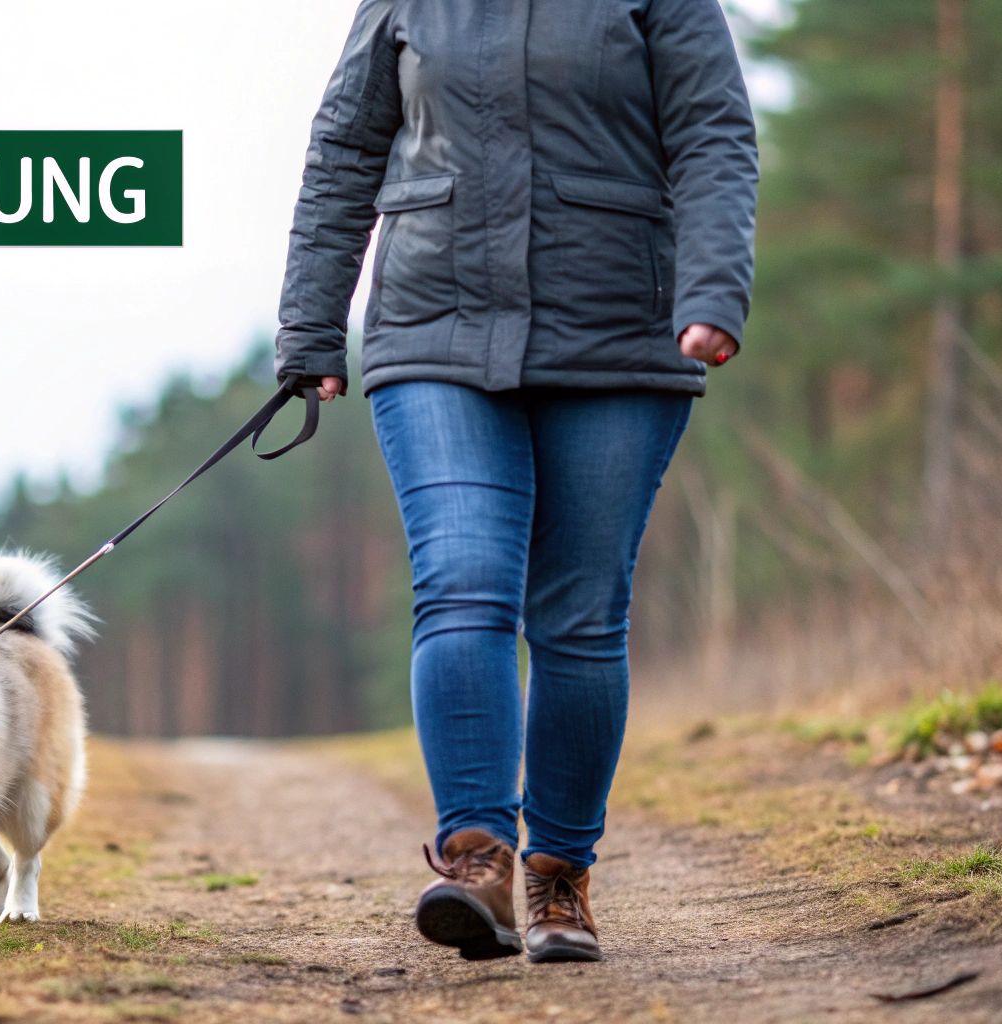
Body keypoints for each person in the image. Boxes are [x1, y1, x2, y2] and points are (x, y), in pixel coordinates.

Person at [274, 0, 757, 963]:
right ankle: (478, 859)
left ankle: (559, 876)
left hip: (621, 330)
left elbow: (713, 131)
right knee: (461, 580)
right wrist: (311, 326)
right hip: (434, 329)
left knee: (579, 612)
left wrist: (712, 289)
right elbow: (344, 148)